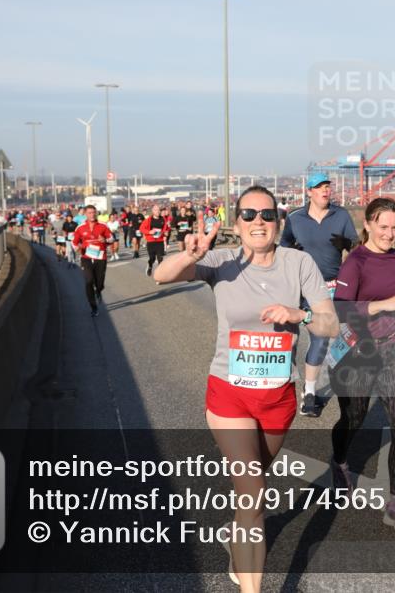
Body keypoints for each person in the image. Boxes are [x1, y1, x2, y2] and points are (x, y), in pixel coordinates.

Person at [153, 186, 336, 591]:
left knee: (248, 494)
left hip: (277, 399)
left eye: (267, 215)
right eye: (249, 215)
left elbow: (330, 324)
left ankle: (238, 544)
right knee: (253, 492)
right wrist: (191, 254)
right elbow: (160, 275)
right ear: (236, 223)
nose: (258, 222)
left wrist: (300, 313)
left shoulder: (299, 263)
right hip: (228, 395)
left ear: (279, 222)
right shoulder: (221, 261)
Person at [328, 197, 395, 531]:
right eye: (383, 227)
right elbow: (340, 311)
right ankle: (340, 462)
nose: (390, 234)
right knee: (353, 418)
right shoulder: (354, 263)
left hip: (394, 348)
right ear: (369, 224)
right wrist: (380, 305)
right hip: (357, 350)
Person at [279, 172, 359, 417]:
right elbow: (283, 247)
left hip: (335, 284)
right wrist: (291, 252)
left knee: (348, 336)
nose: (326, 190)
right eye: (320, 187)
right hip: (306, 287)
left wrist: (346, 244)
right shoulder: (295, 218)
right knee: (320, 339)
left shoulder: (341, 215)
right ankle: (310, 394)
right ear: (309, 192)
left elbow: (356, 247)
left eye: (327, 186)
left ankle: (334, 373)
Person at [72, 205, 113, 316]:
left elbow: (112, 238)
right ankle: (93, 307)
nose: (92, 214)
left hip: (100, 257)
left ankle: (98, 291)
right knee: (88, 281)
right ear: (85, 214)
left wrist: (105, 240)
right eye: (90, 213)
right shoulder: (80, 228)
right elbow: (74, 242)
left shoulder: (103, 226)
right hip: (86, 258)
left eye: (94, 212)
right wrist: (77, 248)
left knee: (99, 283)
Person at [140, 204, 170, 276]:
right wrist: (149, 232)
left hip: (160, 241)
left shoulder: (163, 219)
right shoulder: (149, 220)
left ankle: (160, 273)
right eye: (156, 210)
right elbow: (142, 229)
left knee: (160, 257)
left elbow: (166, 228)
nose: (158, 211)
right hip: (151, 242)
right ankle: (150, 266)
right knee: (152, 258)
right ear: (153, 211)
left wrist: (166, 232)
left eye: (159, 210)